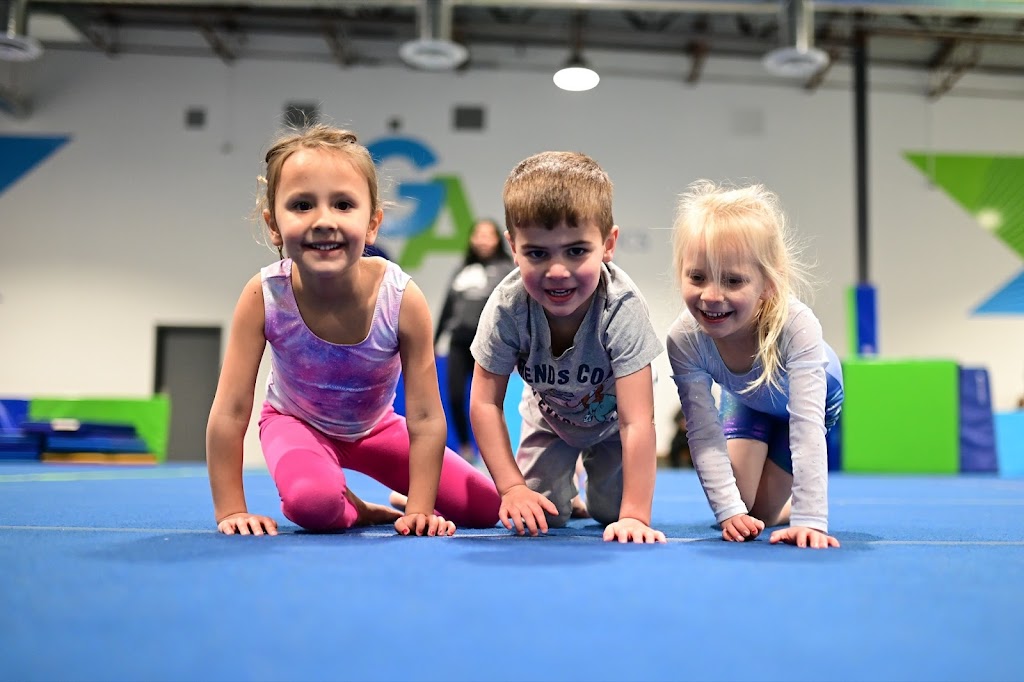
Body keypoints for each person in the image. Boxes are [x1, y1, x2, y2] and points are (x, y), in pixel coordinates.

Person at [205, 124, 500, 537]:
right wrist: (231, 509)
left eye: (343, 205)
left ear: (373, 223)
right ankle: (354, 509)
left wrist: (419, 507)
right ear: (273, 225)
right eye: (302, 205)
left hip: (376, 429)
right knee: (314, 504)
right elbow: (231, 410)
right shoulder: (265, 295)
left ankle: (399, 498)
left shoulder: (400, 299)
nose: (324, 221)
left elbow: (426, 415)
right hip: (295, 422)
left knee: (486, 508)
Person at [469, 150, 667, 544]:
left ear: (608, 244)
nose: (557, 271)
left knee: (610, 512)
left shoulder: (620, 309)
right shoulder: (509, 307)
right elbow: (485, 403)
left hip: (613, 426)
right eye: (537, 253)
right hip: (550, 421)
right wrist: (510, 488)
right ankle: (561, 484)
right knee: (543, 517)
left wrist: (635, 517)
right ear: (513, 246)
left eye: (577, 251)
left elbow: (636, 421)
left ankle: (588, 484)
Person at [666, 180, 844, 549]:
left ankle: (787, 500)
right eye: (697, 277)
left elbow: (807, 428)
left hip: (814, 399)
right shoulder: (684, 340)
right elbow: (702, 431)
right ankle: (764, 503)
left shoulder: (797, 326)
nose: (712, 296)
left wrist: (811, 520)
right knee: (748, 512)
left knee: (763, 511)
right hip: (749, 399)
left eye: (733, 281)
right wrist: (729, 512)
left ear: (768, 282)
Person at [434, 218, 515, 462]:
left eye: (488, 235)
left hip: (491, 346)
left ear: (497, 239)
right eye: (477, 234)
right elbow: (447, 308)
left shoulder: (506, 269)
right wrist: (435, 340)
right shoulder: (461, 269)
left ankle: (497, 454)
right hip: (459, 343)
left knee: (490, 402)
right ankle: (467, 449)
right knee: (456, 396)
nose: (482, 239)